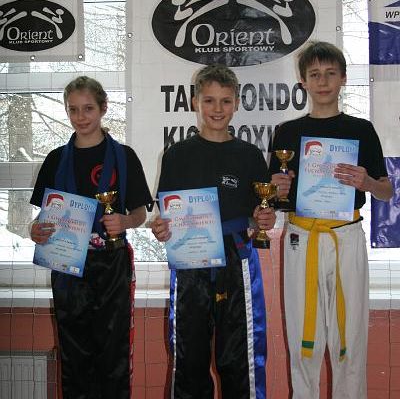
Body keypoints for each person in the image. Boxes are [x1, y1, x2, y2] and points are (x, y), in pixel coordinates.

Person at [268, 41, 393, 399]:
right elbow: (274, 197)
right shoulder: (287, 133)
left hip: (345, 235)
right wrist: (278, 188)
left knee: (349, 336)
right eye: (314, 75)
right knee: (303, 336)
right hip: (301, 236)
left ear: (343, 79)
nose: (322, 82)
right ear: (303, 82)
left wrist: (367, 183)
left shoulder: (362, 130)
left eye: (330, 74)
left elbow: (386, 192)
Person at [151, 64, 282, 399]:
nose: (217, 109)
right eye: (209, 100)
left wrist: (264, 219)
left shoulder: (250, 156)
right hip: (190, 261)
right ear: (196, 102)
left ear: (236, 103)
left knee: (240, 357)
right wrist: (161, 228)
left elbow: (259, 213)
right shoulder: (177, 155)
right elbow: (166, 215)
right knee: (189, 357)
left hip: (236, 261)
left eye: (225, 101)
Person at [29, 76, 153, 399]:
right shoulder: (56, 159)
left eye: (88, 109)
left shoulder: (124, 157)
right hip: (67, 264)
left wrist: (125, 221)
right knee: (73, 355)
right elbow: (42, 219)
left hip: (112, 264)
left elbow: (141, 213)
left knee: (113, 353)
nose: (80, 117)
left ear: (103, 108)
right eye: (73, 110)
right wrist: (34, 230)